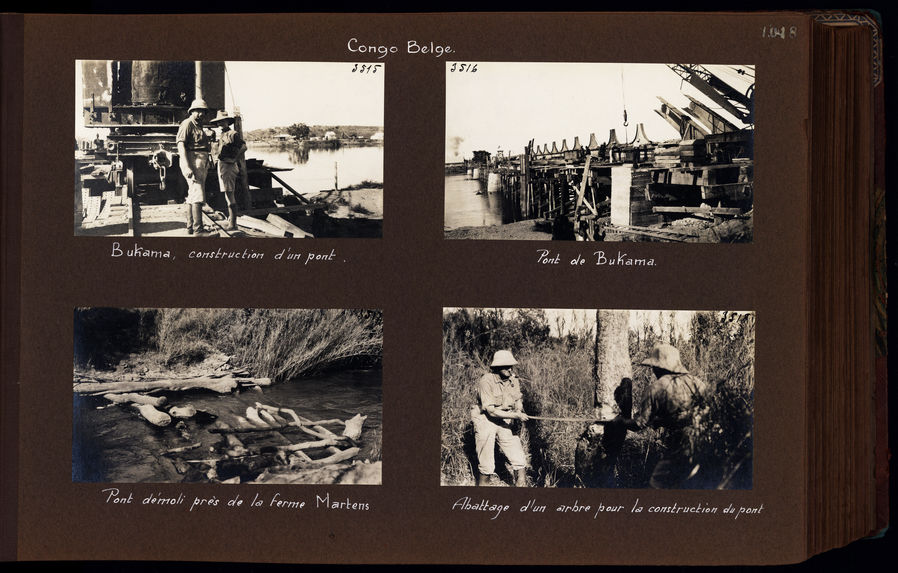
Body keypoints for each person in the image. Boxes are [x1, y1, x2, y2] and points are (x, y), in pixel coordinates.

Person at [635, 343, 710, 488]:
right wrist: (665, 420)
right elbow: (708, 411)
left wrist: (618, 422)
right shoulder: (698, 383)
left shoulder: (656, 388)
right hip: (705, 443)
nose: (653, 371)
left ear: (658, 367)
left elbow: (640, 423)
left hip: (680, 446)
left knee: (657, 484)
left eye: (654, 368)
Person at [471, 350, 530, 487]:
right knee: (487, 464)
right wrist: (515, 415)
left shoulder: (513, 379)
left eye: (511, 366)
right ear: (496, 367)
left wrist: (519, 410)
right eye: (506, 366)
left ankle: (522, 490)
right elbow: (491, 412)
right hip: (486, 419)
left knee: (519, 458)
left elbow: (517, 399)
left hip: (505, 419)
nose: (510, 369)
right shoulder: (485, 381)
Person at [177, 98, 213, 235]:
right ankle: (199, 230)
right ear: (191, 111)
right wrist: (186, 166)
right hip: (192, 159)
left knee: (193, 194)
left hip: (200, 160)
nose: (200, 114)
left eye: (203, 112)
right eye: (198, 111)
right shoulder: (187, 124)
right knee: (197, 193)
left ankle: (190, 227)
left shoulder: (199, 125)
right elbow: (180, 145)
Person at [209, 110, 247, 230]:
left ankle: (233, 224)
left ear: (227, 122)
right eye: (219, 121)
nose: (220, 123)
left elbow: (244, 147)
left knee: (229, 194)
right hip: (222, 165)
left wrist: (234, 159)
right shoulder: (221, 134)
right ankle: (232, 220)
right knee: (227, 193)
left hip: (229, 166)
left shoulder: (232, 133)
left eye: (222, 121)